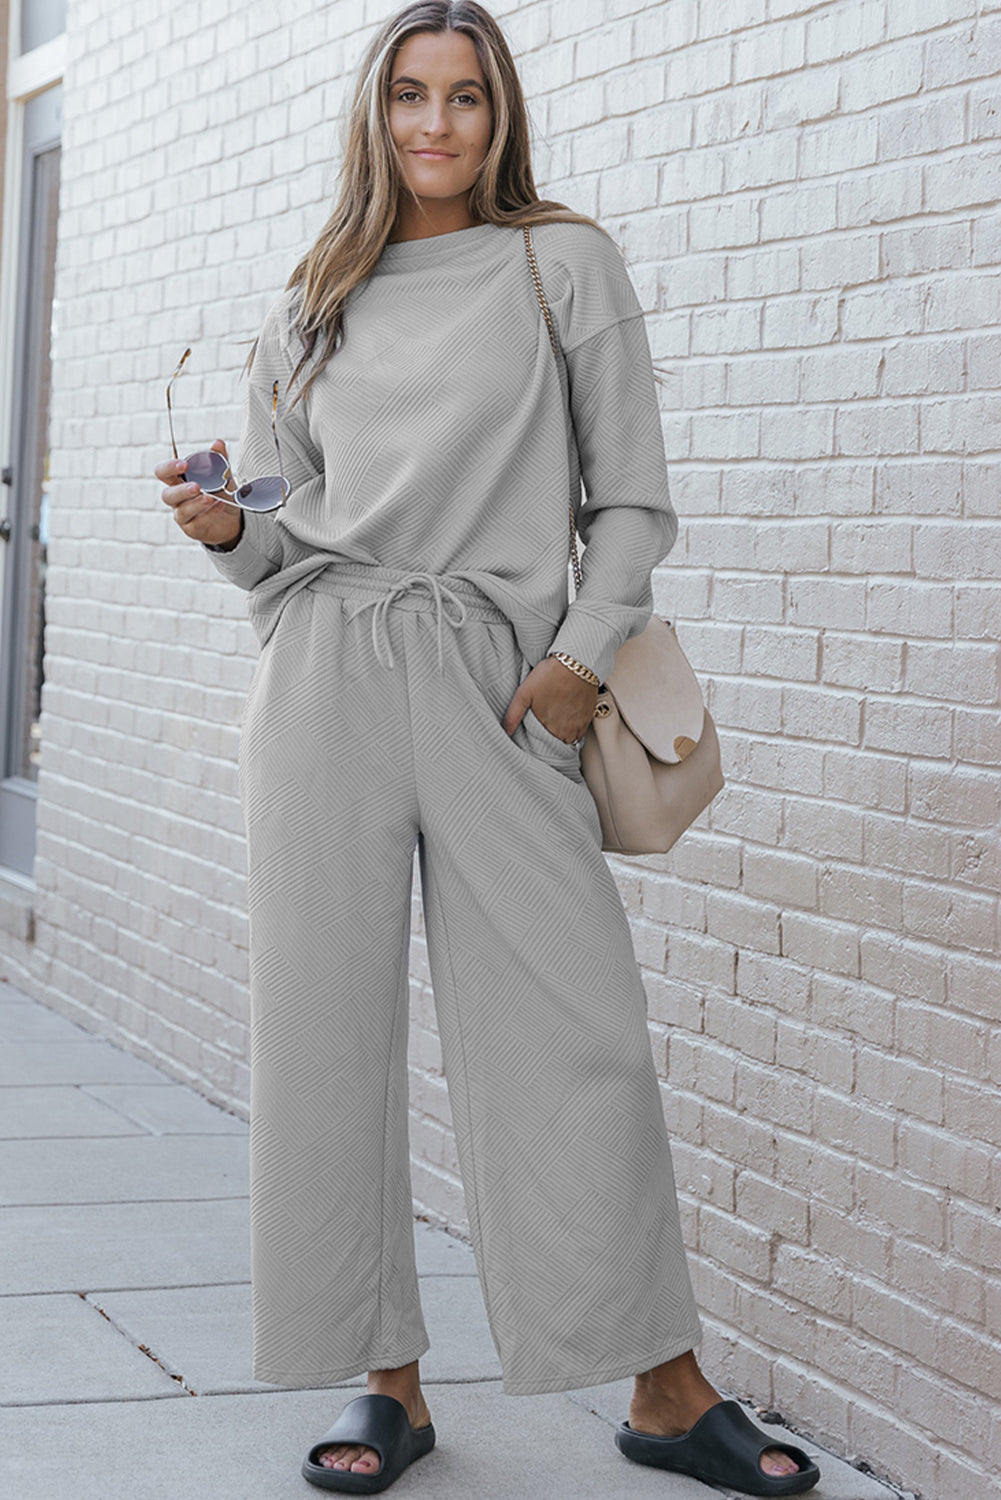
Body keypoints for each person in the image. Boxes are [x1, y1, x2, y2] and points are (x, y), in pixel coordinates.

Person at [155, 4, 820, 1494]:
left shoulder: (559, 264)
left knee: (576, 1035)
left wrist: (580, 658)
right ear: (373, 112)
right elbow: (280, 545)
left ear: (499, 114)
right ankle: (383, 1376)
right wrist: (225, 529)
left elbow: (631, 499)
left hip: (502, 682)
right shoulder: (312, 297)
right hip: (324, 672)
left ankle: (662, 1381)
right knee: (322, 1037)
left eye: (462, 97)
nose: (435, 124)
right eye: (407, 94)